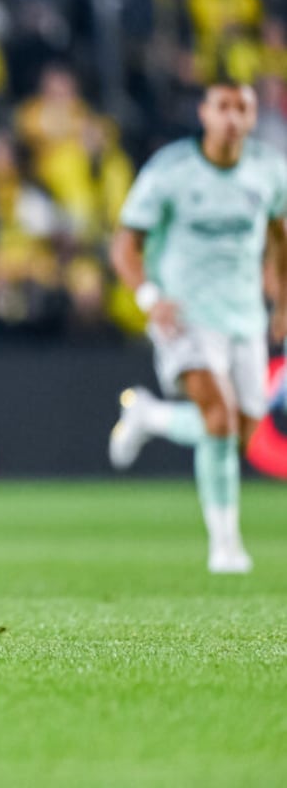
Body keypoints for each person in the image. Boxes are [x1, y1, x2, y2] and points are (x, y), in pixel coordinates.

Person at [107, 83, 287, 574]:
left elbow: (280, 234)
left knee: (240, 430)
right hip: (183, 315)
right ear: (205, 113)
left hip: (244, 315)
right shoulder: (171, 171)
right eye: (223, 107)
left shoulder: (270, 171)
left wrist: (282, 303)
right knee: (220, 418)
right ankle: (225, 546)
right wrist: (149, 298)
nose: (232, 118)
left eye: (242, 109)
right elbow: (124, 245)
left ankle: (149, 417)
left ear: (253, 118)